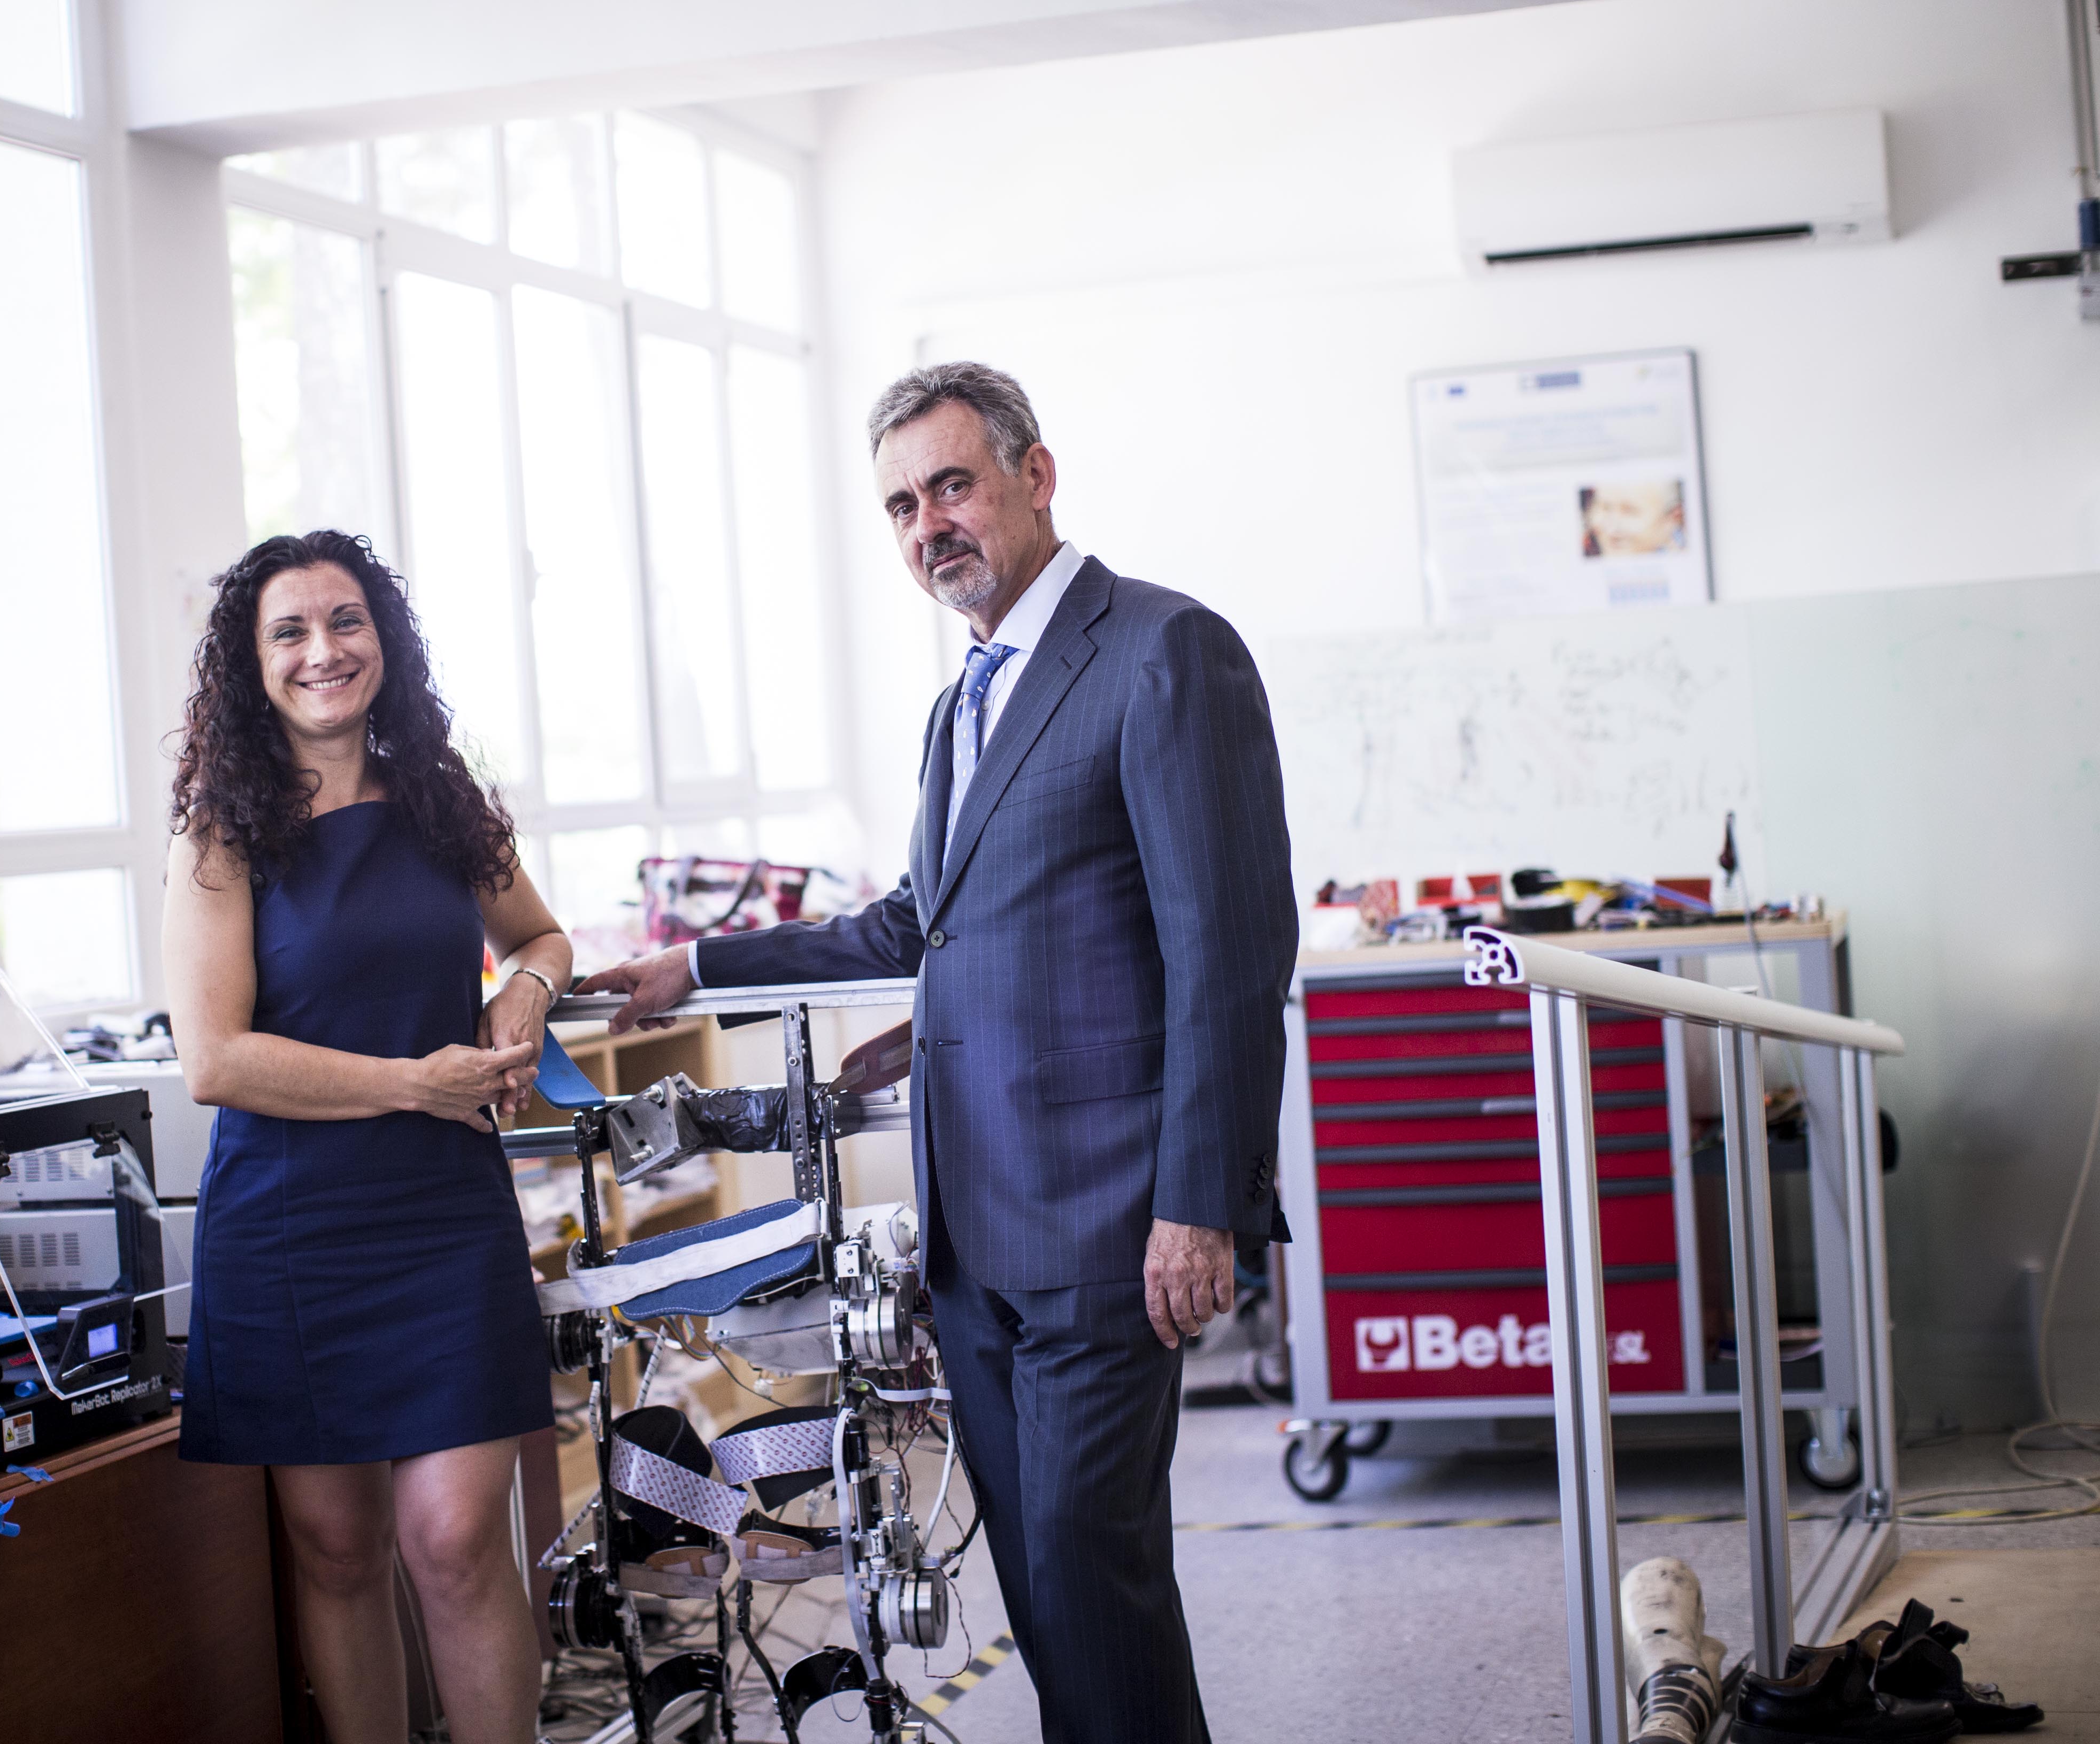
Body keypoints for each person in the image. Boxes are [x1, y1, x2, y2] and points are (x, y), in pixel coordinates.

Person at [583, 363, 1296, 1744]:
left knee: (1092, 1572)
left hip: (1110, 1220)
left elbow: (1229, 951)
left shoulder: (1163, 651)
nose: (930, 526)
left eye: (953, 485)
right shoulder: (963, 699)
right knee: (1046, 1588)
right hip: (975, 1229)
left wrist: (1201, 1205)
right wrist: (699, 966)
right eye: (902, 506)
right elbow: (925, 919)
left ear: (1037, 475)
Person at [164, 530, 566, 1744]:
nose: (323, 651)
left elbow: (542, 936)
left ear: (383, 637)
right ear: (252, 665)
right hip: (290, 1225)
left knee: (455, 1538)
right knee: (338, 1550)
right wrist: (413, 1083)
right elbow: (215, 1060)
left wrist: (523, 995)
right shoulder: (221, 835)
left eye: (345, 620)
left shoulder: (444, 802)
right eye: (288, 631)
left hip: (442, 1217)